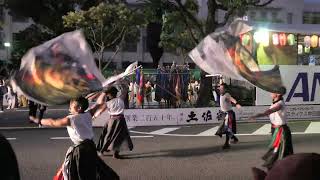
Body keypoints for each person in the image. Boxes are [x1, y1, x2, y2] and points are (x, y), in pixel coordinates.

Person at [41, 96, 119, 179]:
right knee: (92, 170)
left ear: (79, 108)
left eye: (71, 106)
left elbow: (53, 122)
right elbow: (98, 104)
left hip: (80, 151)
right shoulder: (88, 114)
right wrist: (103, 93)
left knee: (79, 173)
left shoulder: (71, 119)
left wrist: (39, 121)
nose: (69, 108)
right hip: (91, 147)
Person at [249, 90, 293, 170]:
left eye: (272, 92)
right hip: (276, 130)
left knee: (280, 153)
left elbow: (271, 111)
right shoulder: (274, 103)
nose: (270, 93)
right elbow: (273, 113)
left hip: (281, 132)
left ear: (278, 94)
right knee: (277, 152)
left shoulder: (280, 104)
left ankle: (274, 171)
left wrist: (260, 115)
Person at [95, 86, 133, 159]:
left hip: (111, 120)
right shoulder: (120, 99)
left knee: (108, 136)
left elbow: (100, 111)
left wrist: (94, 117)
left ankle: (102, 151)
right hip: (120, 120)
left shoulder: (108, 103)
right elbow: (125, 90)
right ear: (116, 93)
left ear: (109, 94)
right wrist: (120, 81)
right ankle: (115, 154)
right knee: (120, 137)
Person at [215, 83, 241, 149]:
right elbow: (216, 88)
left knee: (227, 128)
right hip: (224, 113)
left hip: (229, 114)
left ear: (225, 89)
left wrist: (237, 103)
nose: (220, 89)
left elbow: (232, 99)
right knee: (222, 128)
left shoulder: (227, 95)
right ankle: (234, 138)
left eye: (222, 88)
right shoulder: (220, 94)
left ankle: (226, 144)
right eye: (219, 88)